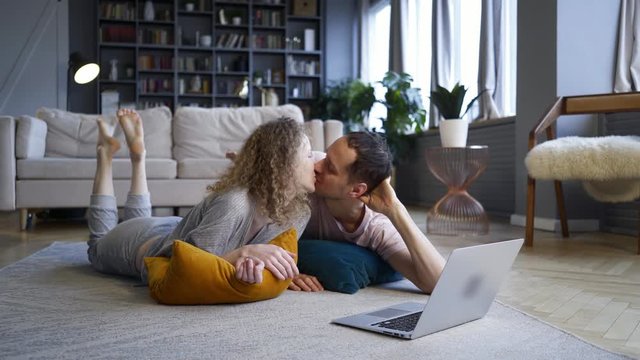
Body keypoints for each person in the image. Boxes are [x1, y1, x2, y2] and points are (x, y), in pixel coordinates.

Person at [87, 109, 315, 285]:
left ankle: (138, 159)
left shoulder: (297, 213)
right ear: (283, 165)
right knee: (96, 246)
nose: (315, 162)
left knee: (137, 223)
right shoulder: (235, 204)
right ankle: (105, 155)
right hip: (140, 245)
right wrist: (242, 253)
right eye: (308, 154)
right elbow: (179, 271)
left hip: (178, 229)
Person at [287, 132, 446, 294]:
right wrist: (287, 272)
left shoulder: (376, 224)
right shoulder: (305, 174)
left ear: (356, 190)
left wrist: (397, 209)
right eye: (326, 156)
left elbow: (439, 284)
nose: (317, 166)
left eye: (330, 167)